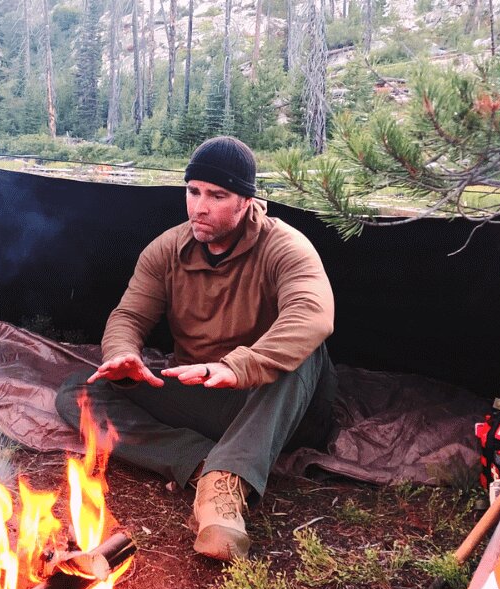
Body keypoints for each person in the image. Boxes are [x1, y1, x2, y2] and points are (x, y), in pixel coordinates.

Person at [55, 136, 337, 562]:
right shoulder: (167, 249)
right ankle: (205, 465)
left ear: (245, 201)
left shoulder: (285, 246)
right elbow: (129, 315)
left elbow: (313, 316)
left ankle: (226, 493)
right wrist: (121, 354)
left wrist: (241, 366)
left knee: (307, 351)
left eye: (217, 195)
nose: (200, 207)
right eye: (193, 192)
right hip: (207, 397)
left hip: (277, 404)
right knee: (79, 390)